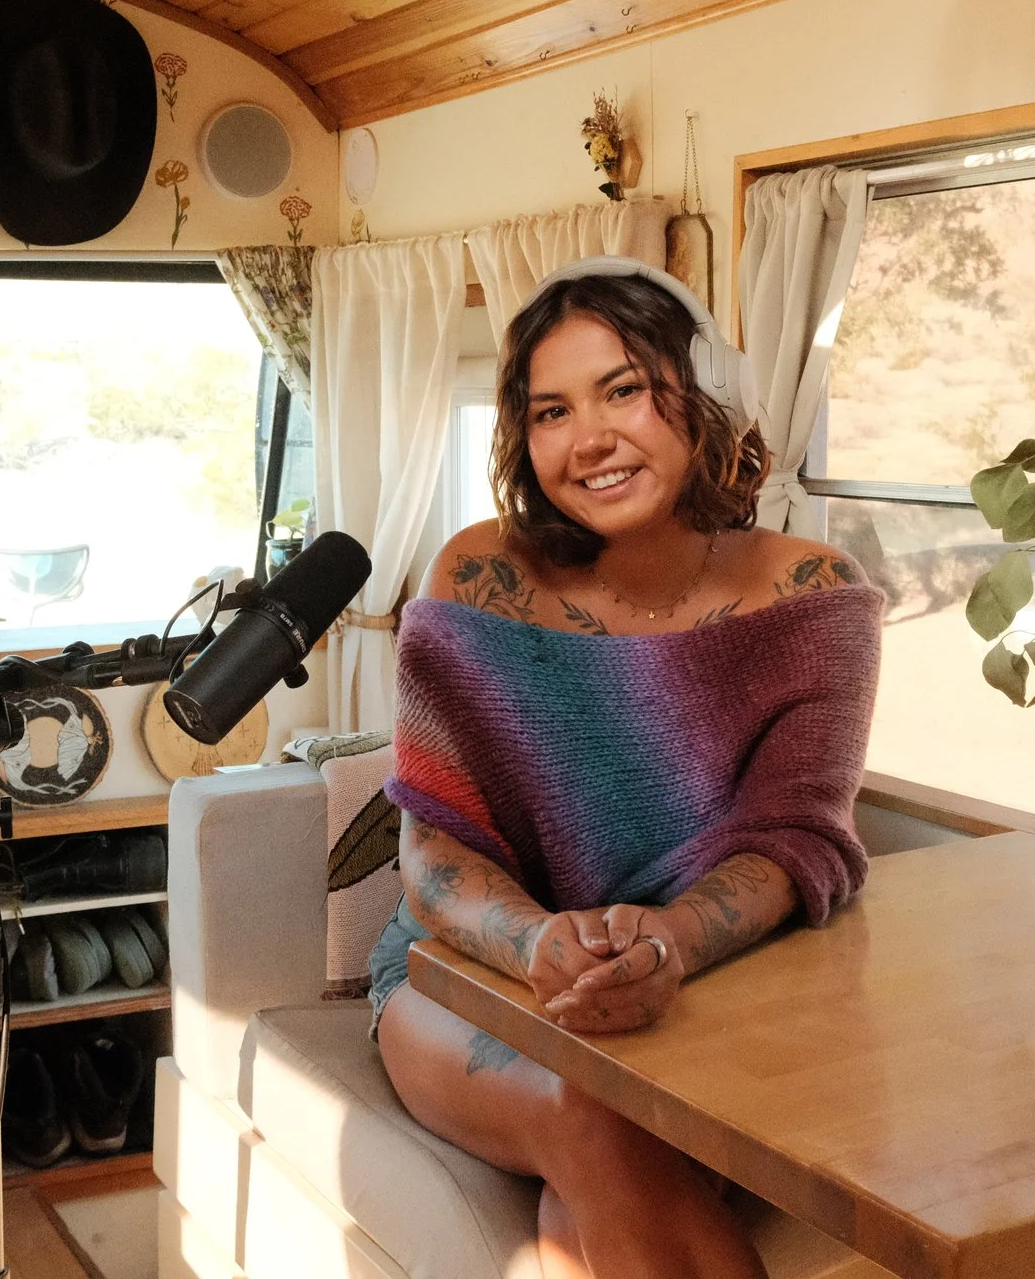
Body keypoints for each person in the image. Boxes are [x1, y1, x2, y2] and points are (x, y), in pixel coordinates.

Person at [369, 259, 883, 1279]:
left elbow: (800, 834)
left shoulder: (813, 595)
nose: (589, 438)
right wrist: (537, 941)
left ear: (705, 395)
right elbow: (429, 853)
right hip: (467, 970)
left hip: (710, 985)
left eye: (623, 389)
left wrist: (671, 943)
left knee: (588, 1212)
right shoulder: (477, 576)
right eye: (550, 411)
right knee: (591, 1107)